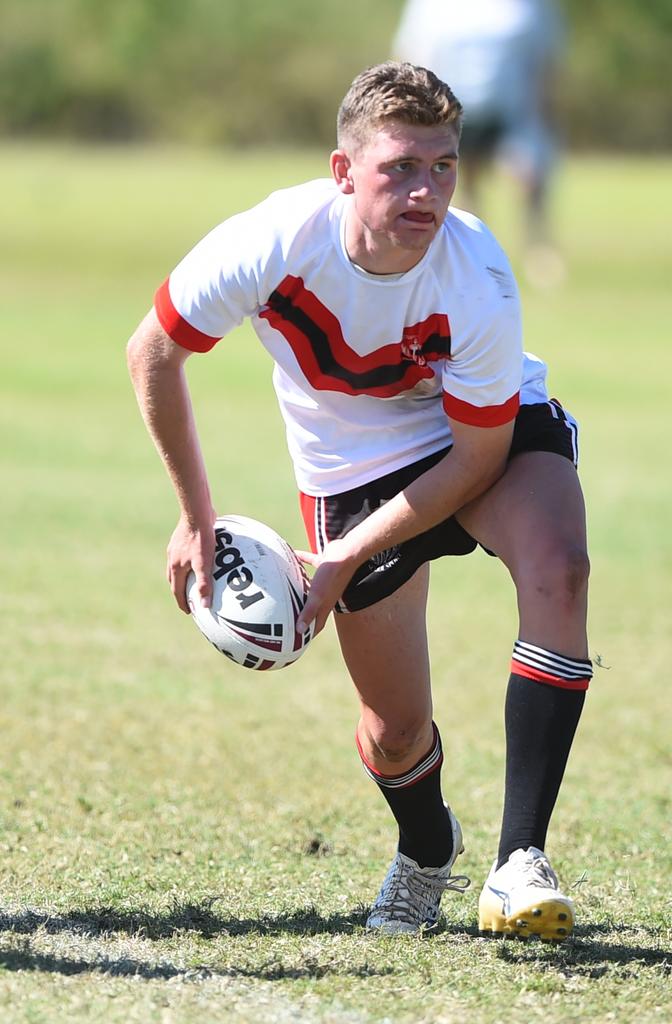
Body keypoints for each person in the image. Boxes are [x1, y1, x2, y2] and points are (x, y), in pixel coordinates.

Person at [127, 61, 591, 939]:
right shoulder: (272, 242)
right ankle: (425, 849)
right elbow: (153, 352)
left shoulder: (477, 275)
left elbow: (478, 457)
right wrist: (196, 515)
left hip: (476, 437)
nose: (427, 192)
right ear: (344, 171)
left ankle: (519, 860)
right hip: (348, 467)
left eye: (445, 166)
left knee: (559, 568)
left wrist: (338, 562)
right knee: (392, 730)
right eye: (401, 168)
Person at [393, 0, 566, 284]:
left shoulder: (531, 6)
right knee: (463, 184)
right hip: (452, 108)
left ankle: (538, 255)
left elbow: (545, 58)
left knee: (529, 176)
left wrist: (545, 107)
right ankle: (474, 259)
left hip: (512, 109)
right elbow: (412, 52)